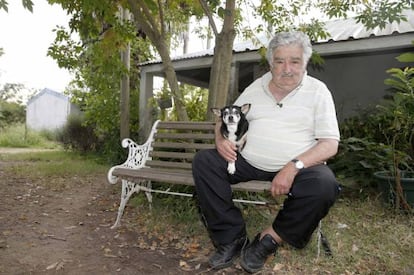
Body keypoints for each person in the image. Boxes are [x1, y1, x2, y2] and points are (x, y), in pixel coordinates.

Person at [192, 30, 341, 273]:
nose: (287, 68)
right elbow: (226, 119)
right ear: (271, 63)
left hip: (297, 166)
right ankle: (231, 238)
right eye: (280, 61)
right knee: (205, 161)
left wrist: (293, 166)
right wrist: (220, 140)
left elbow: (329, 144)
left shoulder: (318, 91)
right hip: (248, 160)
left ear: (305, 63)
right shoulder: (255, 88)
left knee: (324, 184)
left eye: (295, 61)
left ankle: (268, 240)